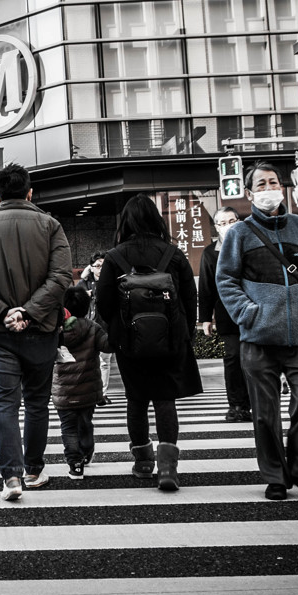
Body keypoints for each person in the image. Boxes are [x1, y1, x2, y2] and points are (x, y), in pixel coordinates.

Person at [216, 162, 298, 502]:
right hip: (258, 338)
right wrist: (248, 314)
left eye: (273, 183)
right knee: (265, 415)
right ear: (250, 193)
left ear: (283, 188)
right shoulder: (239, 233)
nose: (269, 189)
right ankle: (275, 476)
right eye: (261, 184)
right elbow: (226, 280)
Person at [0, 163, 73, 501]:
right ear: (30, 192)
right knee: (37, 401)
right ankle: (34, 470)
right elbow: (61, 276)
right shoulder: (51, 226)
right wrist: (29, 311)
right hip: (41, 328)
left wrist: (3, 312)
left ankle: (11, 475)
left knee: (5, 401)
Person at [96, 194, 201, 491]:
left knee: (137, 399)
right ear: (156, 220)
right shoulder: (174, 255)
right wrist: (183, 334)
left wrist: (121, 329)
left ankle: (143, 462)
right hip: (170, 340)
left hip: (130, 342)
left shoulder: (115, 257)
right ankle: (168, 468)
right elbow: (189, 300)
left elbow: (104, 302)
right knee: (165, 400)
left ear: (125, 222)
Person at [198, 206, 252, 422]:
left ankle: (257, 401)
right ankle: (237, 405)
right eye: (222, 223)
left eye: (231, 221)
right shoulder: (210, 253)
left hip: (254, 311)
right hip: (227, 314)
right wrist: (205, 318)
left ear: (239, 222)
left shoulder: (251, 245)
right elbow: (206, 287)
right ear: (216, 227)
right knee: (233, 358)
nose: (227, 226)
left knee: (255, 359)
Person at [51, 286, 110, 480]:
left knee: (68, 427)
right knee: (85, 422)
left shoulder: (54, 330)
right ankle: (86, 451)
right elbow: (107, 345)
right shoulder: (93, 328)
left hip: (63, 391)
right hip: (88, 388)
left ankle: (75, 464)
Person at [80, 253, 112, 401]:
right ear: (91, 268)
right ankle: (90, 392)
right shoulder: (84, 283)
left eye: (103, 266)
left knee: (105, 362)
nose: (101, 269)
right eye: (98, 266)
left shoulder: (111, 281)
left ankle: (102, 394)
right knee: (88, 361)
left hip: (106, 328)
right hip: (89, 328)